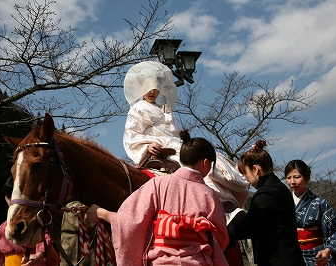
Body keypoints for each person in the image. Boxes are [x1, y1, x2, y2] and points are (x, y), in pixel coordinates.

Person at [122, 60, 249, 214]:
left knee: (210, 159)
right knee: (192, 167)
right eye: (148, 87)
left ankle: (221, 203)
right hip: (161, 149)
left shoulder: (164, 108)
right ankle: (212, 206)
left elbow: (174, 133)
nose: (152, 91)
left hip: (176, 145)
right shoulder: (137, 109)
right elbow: (131, 135)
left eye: (156, 87)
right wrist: (147, 146)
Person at [87, 130, 229, 266]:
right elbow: (221, 237)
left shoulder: (157, 184)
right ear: (206, 162)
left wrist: (101, 213)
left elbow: (130, 220)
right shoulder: (210, 195)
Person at [227, 140, 306, 266]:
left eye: (246, 174)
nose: (246, 179)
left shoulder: (265, 195)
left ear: (255, 169)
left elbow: (246, 229)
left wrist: (223, 230)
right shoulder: (281, 188)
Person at [285, 159, 336, 266]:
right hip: (291, 256)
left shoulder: (320, 203)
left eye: (297, 177)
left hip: (317, 257)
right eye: (288, 177)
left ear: (307, 177)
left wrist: (328, 251)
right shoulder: (283, 203)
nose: (292, 182)